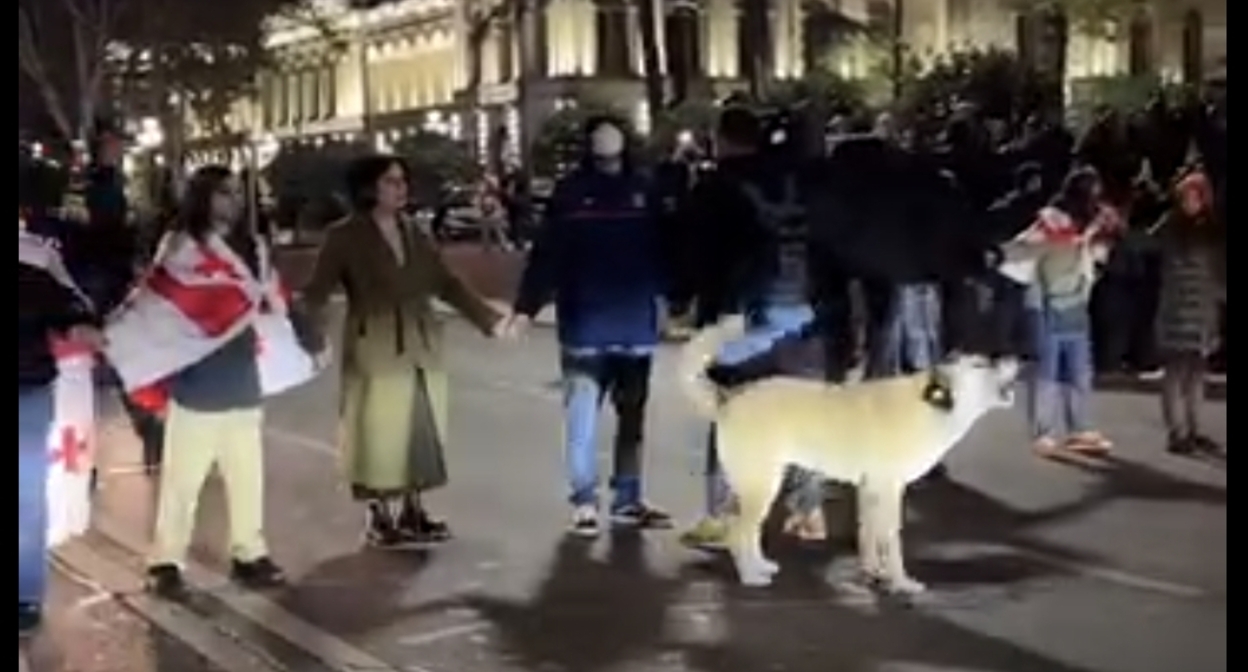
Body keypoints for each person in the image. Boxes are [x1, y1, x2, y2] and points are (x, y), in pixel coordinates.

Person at [300, 155, 506, 548]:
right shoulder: (345, 236)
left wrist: (488, 319)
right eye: (391, 181)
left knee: (420, 428)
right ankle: (378, 514)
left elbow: (446, 283)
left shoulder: (416, 232)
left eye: (402, 181)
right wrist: (305, 331)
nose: (401, 188)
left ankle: (414, 508)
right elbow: (318, 290)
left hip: (420, 341)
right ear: (368, 189)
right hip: (374, 342)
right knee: (377, 433)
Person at [508, 116, 672, 536]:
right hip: (612, 323)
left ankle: (603, 499)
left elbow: (548, 255)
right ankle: (609, 498)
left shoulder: (586, 193)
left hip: (603, 323)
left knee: (606, 418)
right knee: (607, 418)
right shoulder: (632, 192)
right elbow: (550, 254)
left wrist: (527, 306)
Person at [672, 106, 827, 548]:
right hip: (801, 316)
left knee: (732, 417)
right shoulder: (797, 182)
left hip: (739, 320)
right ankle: (807, 511)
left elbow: (695, 254)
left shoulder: (714, 188)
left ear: (721, 139)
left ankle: (723, 516)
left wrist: (687, 300)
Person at [145, 166, 286, 598]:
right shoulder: (180, 247)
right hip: (196, 382)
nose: (233, 201)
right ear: (203, 197)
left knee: (247, 476)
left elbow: (272, 301)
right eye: (223, 193)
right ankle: (166, 560)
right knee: (182, 482)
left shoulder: (252, 249)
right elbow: (157, 306)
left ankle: (249, 552)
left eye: (236, 193)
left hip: (241, 377)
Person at [20, 231, 102, 635]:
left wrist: (80, 326)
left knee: (27, 499)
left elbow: (68, 308)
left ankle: (25, 596)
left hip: (27, 393)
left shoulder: (33, 267)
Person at [1005, 168, 1117, 459]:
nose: (1095, 198)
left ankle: (1079, 428)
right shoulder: (1051, 220)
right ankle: (1044, 431)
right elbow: (1020, 249)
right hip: (1046, 303)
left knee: (1079, 368)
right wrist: (1058, 241)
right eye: (1091, 190)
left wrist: (1098, 242)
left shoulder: (1092, 223)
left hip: (1076, 302)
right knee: (1047, 370)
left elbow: (1099, 257)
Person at [1149, 169, 1224, 454]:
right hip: (1177, 306)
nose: (1191, 201)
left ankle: (1194, 429)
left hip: (1204, 307)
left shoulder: (1212, 229)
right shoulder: (1170, 226)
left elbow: (1218, 269)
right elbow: (1159, 254)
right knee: (1175, 370)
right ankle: (1175, 431)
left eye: (1197, 195)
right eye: (1187, 195)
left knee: (1196, 372)